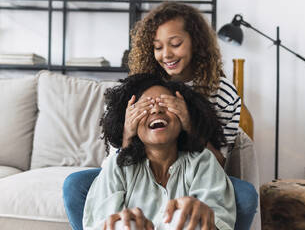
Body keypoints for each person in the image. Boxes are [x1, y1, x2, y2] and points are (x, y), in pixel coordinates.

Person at [63, 1, 258, 230]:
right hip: (139, 163)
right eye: (157, 47)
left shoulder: (222, 93)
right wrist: (128, 133)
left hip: (193, 167)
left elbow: (218, 164)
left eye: (175, 44)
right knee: (76, 184)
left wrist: (190, 125)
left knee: (244, 195)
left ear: (196, 42)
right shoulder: (142, 83)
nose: (166, 54)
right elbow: (119, 158)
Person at [83, 73, 236, 230]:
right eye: (145, 106)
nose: (156, 109)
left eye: (165, 104)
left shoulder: (203, 162)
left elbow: (219, 221)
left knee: (187, 216)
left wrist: (204, 219)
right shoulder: (117, 167)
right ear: (130, 122)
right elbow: (102, 221)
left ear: (183, 118)